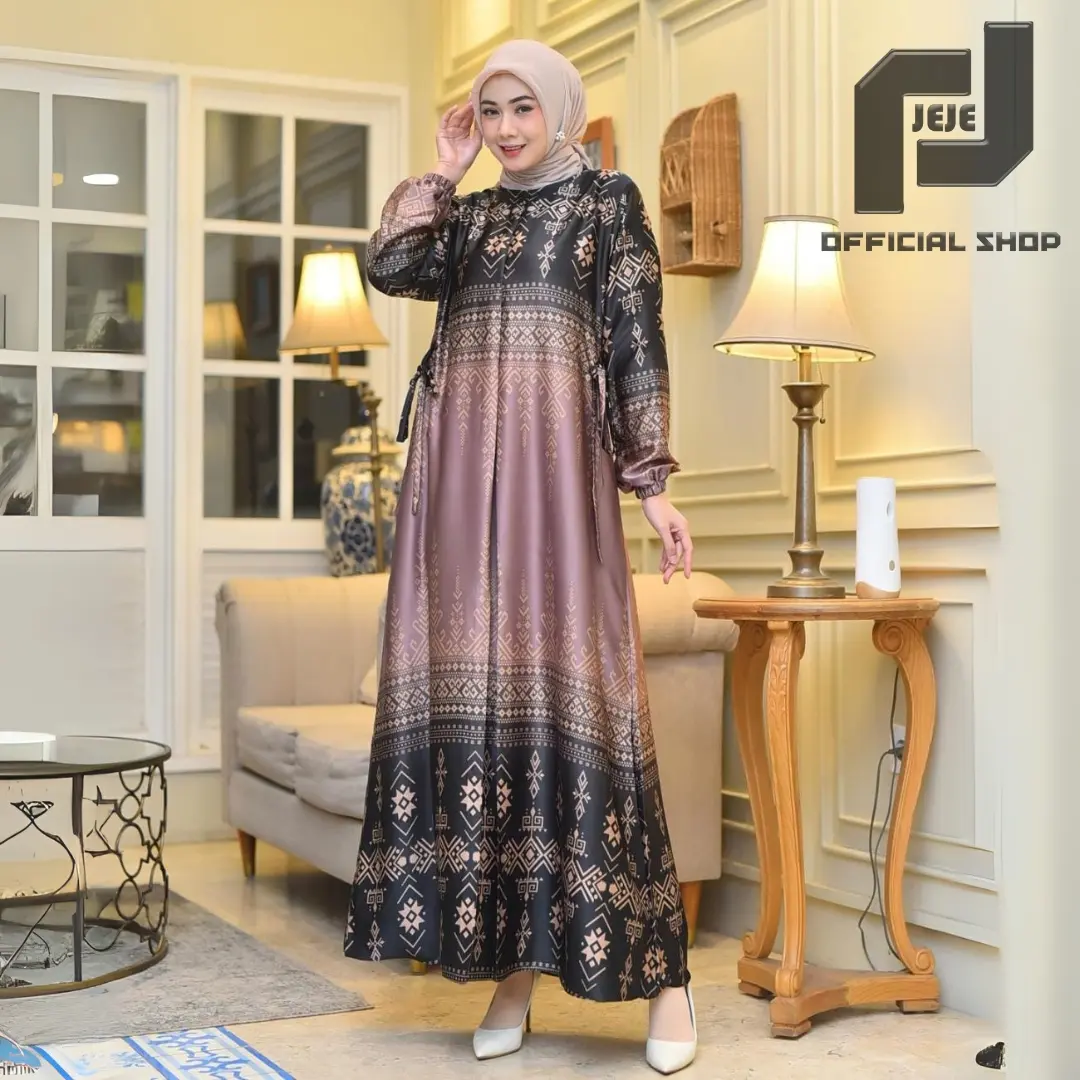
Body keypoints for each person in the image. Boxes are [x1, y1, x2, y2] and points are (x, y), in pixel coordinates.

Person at [343, 37, 697, 1075]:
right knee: (481, 713)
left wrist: (653, 482)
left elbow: (636, 338)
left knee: (587, 708)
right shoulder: (469, 217)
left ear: (561, 110)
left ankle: (666, 980)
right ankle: (511, 973)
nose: (504, 128)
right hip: (458, 481)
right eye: (489, 111)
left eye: (521, 109)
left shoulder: (607, 203)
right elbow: (390, 266)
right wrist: (442, 172)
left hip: (556, 482)